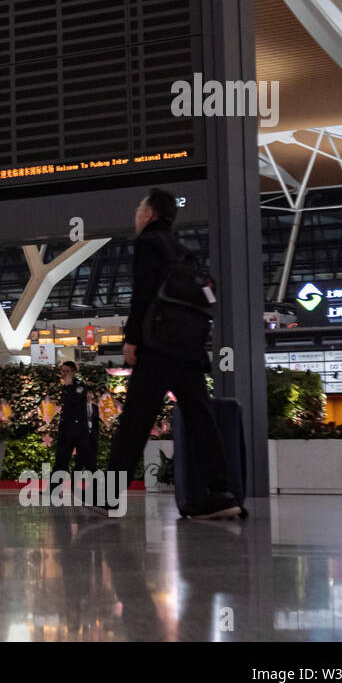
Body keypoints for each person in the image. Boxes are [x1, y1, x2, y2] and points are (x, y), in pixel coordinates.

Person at [106, 188, 240, 519]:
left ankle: (105, 494)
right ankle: (220, 493)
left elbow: (143, 293)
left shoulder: (149, 243)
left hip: (158, 348)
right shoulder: (185, 252)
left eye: (139, 208)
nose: (136, 213)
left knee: (136, 418)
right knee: (200, 417)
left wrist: (132, 338)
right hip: (190, 350)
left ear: (149, 214)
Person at [52, 361, 96, 486]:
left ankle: (101, 487)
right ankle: (53, 489)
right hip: (66, 430)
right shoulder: (65, 387)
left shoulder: (80, 386)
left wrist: (69, 386)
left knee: (88, 461)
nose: (64, 374)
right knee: (61, 460)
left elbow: (73, 401)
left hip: (79, 431)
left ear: (72, 372)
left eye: (66, 371)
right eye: (62, 371)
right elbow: (64, 402)